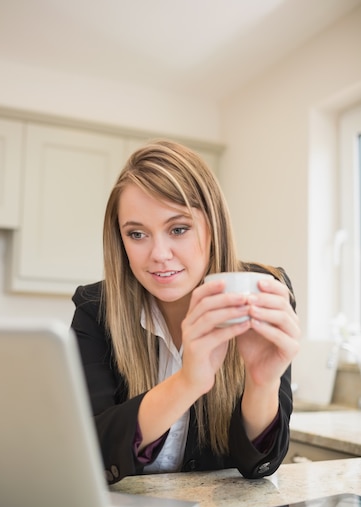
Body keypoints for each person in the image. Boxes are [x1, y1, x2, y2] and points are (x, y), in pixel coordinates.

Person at [71, 139, 300, 485]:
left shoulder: (261, 290)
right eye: (137, 234)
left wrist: (261, 383)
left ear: (213, 227)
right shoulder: (96, 309)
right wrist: (188, 382)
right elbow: (90, 450)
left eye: (178, 229)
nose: (159, 254)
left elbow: (258, 466)